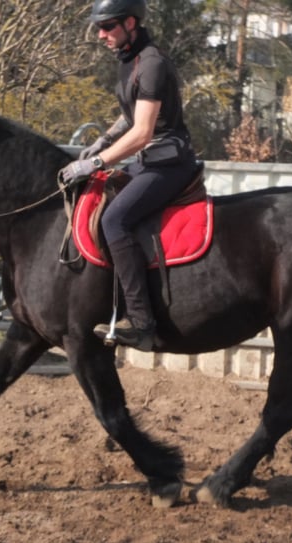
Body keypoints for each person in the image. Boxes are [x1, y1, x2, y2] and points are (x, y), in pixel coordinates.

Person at [60, 0, 198, 351]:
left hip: (168, 164)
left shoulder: (151, 63)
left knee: (114, 221)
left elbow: (142, 132)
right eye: (98, 28)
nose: (101, 34)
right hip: (147, 162)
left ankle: (142, 324)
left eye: (107, 27)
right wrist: (103, 141)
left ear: (131, 22)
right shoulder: (129, 61)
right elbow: (129, 116)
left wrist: (94, 163)